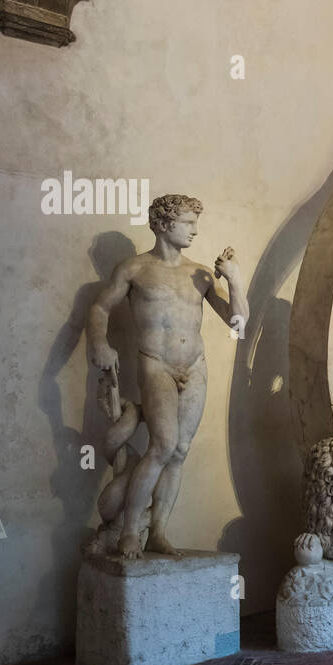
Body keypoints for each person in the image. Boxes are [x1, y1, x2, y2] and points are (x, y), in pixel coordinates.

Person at [87, 194, 246, 559]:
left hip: (195, 365)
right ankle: (129, 531)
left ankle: (157, 531)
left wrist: (234, 281)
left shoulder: (201, 273)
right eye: (187, 222)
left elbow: (237, 322)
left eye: (195, 222)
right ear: (162, 224)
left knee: (179, 451)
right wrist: (99, 342)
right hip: (155, 362)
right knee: (162, 445)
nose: (195, 230)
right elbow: (100, 307)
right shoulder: (135, 268)